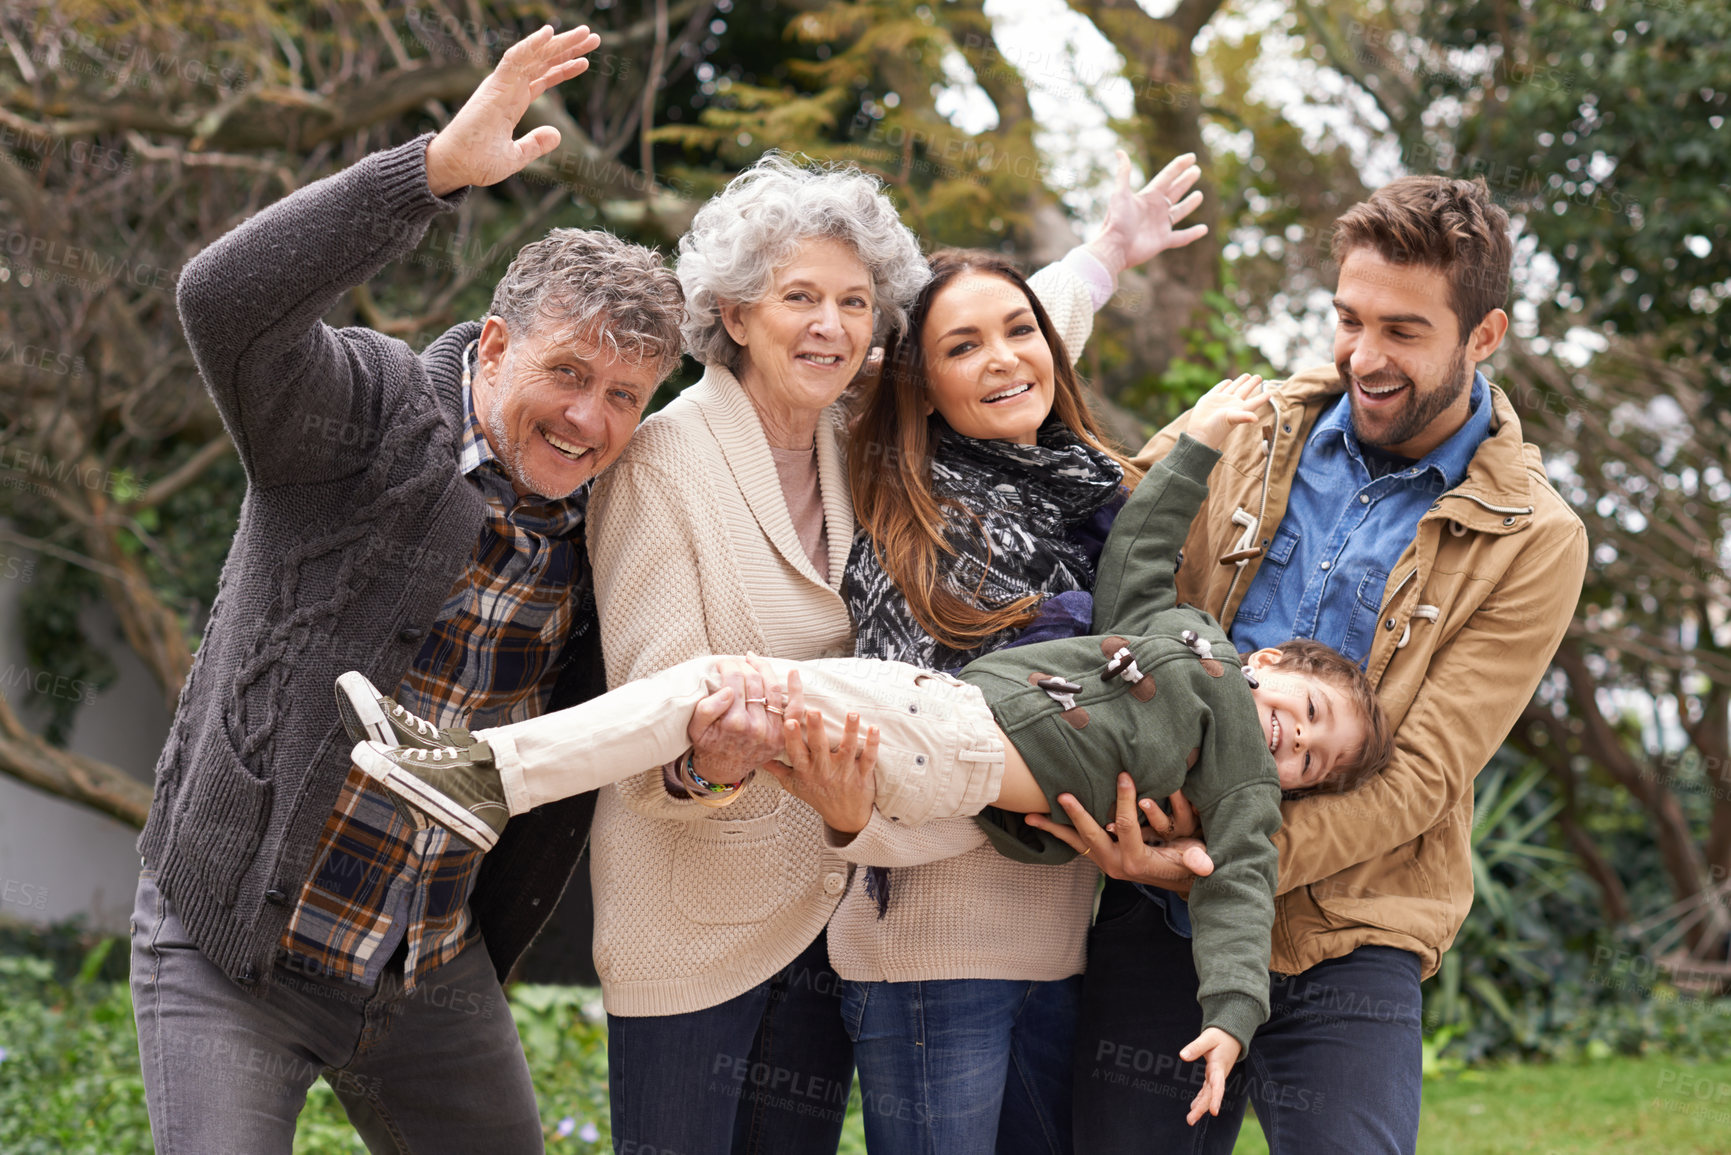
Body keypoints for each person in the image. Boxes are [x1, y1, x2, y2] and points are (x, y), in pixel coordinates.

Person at [344, 374, 1393, 1128]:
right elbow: (1142, 554)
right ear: (1272, 665)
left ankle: (483, 774)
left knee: (716, 681)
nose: (1296, 741)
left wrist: (1230, 1019)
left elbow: (1242, 892)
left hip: (952, 740)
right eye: (1309, 711)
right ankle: (481, 776)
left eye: (1314, 759)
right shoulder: (1182, 643)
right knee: (723, 701)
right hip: (937, 739)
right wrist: (1202, 441)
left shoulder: (1237, 775)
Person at [129, 27, 689, 1153]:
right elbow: (221, 302)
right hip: (236, 945)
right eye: (567, 374)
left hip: (422, 962)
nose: (590, 421)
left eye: (625, 395)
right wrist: (428, 171)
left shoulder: (621, 519)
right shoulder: (367, 418)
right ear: (491, 348)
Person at [573, 146, 1179, 1153]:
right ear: (732, 313)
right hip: (696, 920)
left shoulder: (855, 432)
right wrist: (707, 762)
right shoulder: (662, 465)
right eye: (799, 298)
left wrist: (1110, 253)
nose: (832, 327)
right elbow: (646, 723)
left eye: (856, 304)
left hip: (830, 905)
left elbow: (998, 356)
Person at [1033, 175, 1589, 1154]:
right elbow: (1103, 530)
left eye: (1405, 332)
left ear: (1485, 335)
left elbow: (1421, 776)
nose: (1363, 358)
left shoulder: (1535, 537)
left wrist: (1212, 863)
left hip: (1355, 923)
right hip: (1164, 913)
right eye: (1348, 318)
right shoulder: (1247, 426)